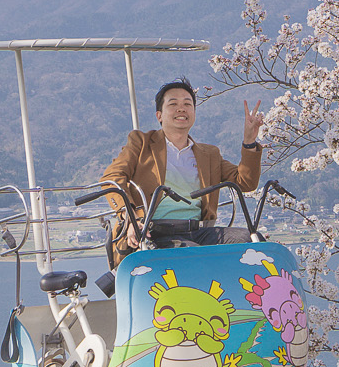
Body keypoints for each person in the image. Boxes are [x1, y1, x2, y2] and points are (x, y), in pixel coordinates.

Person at [102, 80, 266, 269]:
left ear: (194, 113)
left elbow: (244, 182)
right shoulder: (141, 143)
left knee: (251, 242)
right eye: (173, 104)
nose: (181, 109)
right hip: (153, 231)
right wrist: (129, 216)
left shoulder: (208, 154)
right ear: (159, 115)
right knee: (193, 255)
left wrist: (249, 142)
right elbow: (112, 178)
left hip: (198, 230)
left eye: (187, 104)